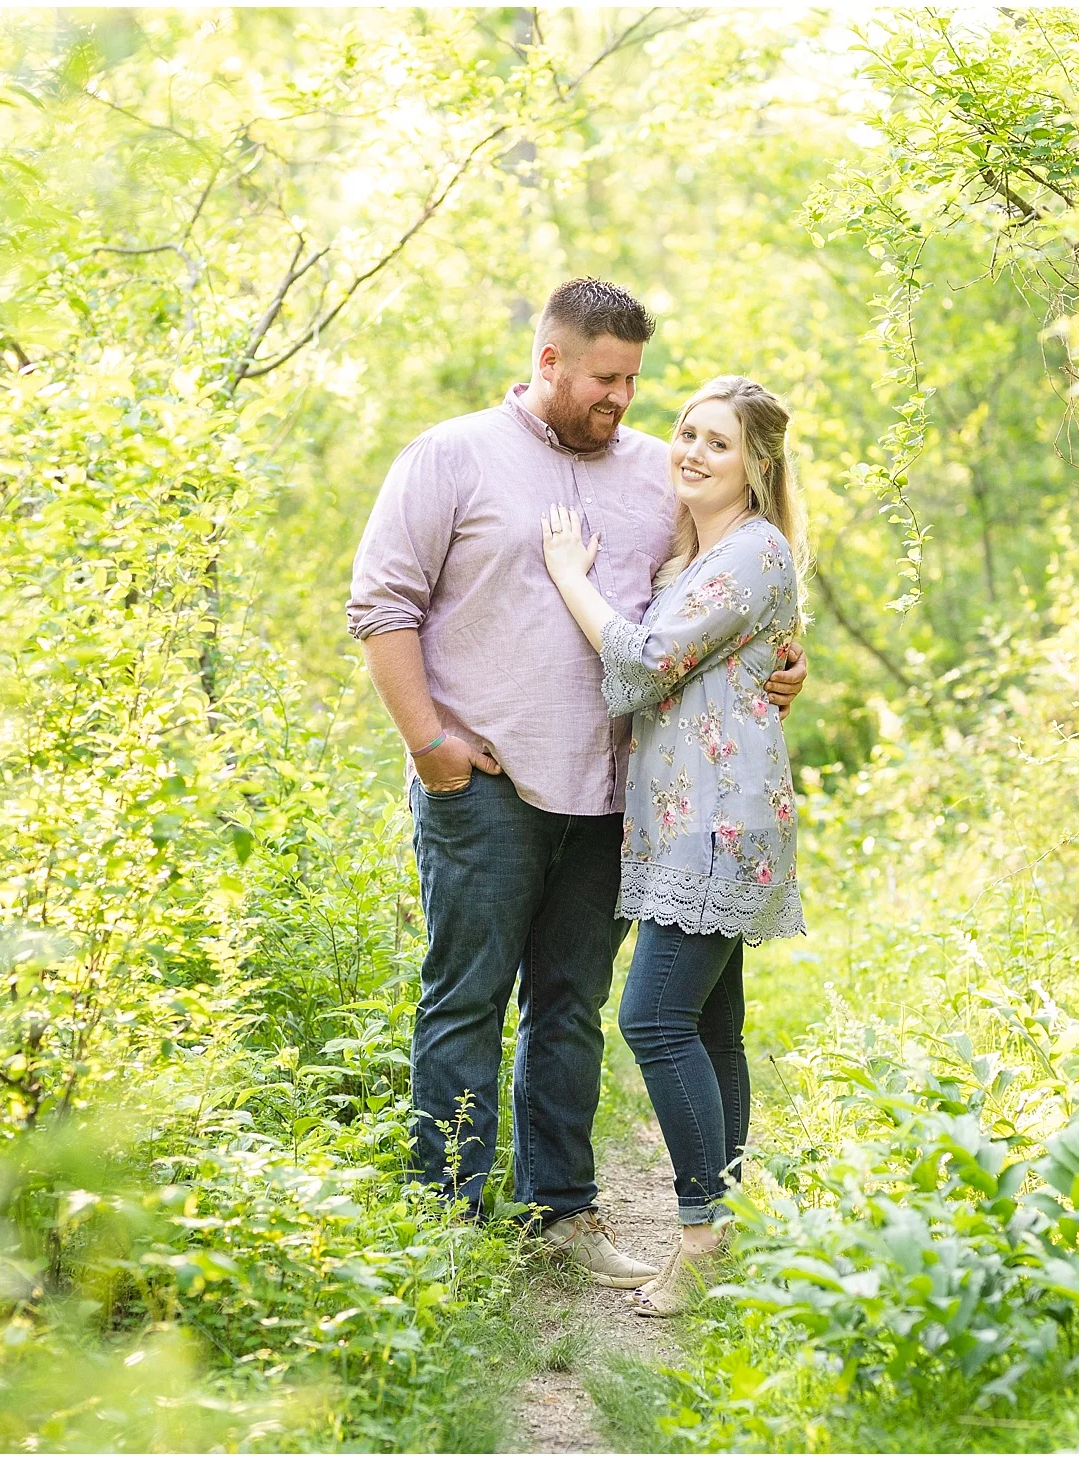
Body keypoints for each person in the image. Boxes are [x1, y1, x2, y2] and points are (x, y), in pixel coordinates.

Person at [346, 281, 807, 1287]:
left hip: (613, 800)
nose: (623, 400)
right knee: (466, 1001)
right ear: (550, 361)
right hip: (489, 789)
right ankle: (450, 1223)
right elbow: (379, 605)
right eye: (605, 378)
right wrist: (429, 744)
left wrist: (786, 656)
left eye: (634, 379)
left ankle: (558, 1216)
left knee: (571, 1008)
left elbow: (719, 588)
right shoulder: (451, 455)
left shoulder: (657, 472)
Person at [540, 375, 806, 1316]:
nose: (691, 451)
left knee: (652, 1017)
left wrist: (568, 574)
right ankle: (725, 1228)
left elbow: (650, 664)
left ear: (758, 464)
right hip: (685, 816)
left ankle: (697, 1237)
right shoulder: (699, 555)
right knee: (708, 1024)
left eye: (718, 442)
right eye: (685, 433)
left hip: (717, 819)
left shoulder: (754, 550)